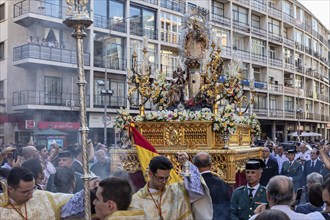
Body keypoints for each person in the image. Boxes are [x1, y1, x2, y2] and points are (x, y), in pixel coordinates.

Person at [130, 154, 212, 219]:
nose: (164, 182)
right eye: (160, 178)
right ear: (150, 174)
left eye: (167, 178)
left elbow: (196, 188)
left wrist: (186, 164)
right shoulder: (137, 201)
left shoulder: (177, 191)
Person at [0, 167, 73, 219]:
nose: (31, 195)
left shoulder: (41, 196)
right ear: (10, 189)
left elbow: (73, 200)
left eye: (33, 189)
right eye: (26, 192)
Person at [193, 152, 230, 220]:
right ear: (211, 165)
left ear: (194, 166)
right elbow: (227, 206)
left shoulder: (192, 184)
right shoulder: (221, 183)